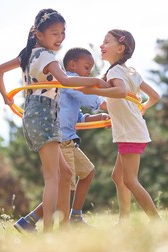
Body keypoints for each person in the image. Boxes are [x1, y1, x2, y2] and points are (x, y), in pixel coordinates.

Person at [0, 8, 109, 233]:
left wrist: (6, 97)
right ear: (39, 34)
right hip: (44, 115)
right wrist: (95, 81)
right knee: (53, 177)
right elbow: (65, 80)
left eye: (63, 32)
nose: (60, 38)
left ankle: (56, 228)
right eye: (55, 33)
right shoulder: (45, 56)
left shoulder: (26, 56)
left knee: (65, 174)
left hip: (36, 115)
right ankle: (49, 234)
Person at [79, 29, 161, 223]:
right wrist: (141, 109)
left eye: (106, 42)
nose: (101, 45)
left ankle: (156, 221)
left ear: (120, 48)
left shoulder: (115, 72)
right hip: (133, 129)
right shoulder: (131, 72)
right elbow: (155, 96)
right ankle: (124, 220)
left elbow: (121, 92)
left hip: (129, 132)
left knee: (130, 180)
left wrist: (85, 88)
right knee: (118, 176)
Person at [60, 47, 109, 225]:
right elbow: (88, 98)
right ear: (72, 64)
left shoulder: (71, 86)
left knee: (88, 173)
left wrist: (99, 117)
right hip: (61, 140)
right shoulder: (69, 81)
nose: (89, 73)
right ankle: (33, 219)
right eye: (87, 67)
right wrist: (106, 104)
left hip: (69, 141)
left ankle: (75, 216)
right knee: (66, 186)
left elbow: (79, 118)